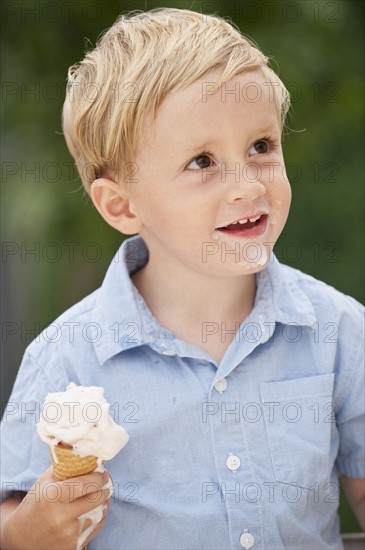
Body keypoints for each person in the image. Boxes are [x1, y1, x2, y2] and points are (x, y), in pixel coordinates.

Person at [0, 7, 364, 550]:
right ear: (122, 205)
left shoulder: (340, 331)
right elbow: (12, 513)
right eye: (201, 162)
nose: (247, 185)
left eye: (261, 146)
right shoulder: (68, 358)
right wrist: (30, 531)